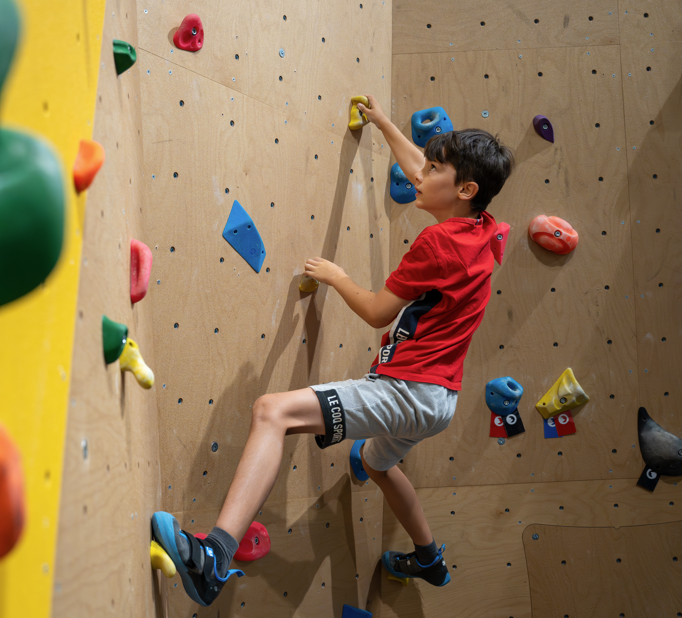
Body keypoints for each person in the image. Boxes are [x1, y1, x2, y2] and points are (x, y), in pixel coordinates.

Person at [152, 94, 515, 607]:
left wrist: (338, 277)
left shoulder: (436, 246)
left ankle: (213, 556)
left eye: (434, 169)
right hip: (439, 402)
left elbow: (375, 311)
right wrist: (384, 123)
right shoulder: (486, 230)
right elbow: (423, 171)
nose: (419, 174)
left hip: (407, 391)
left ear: (464, 188)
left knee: (271, 411)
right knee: (378, 462)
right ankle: (429, 556)